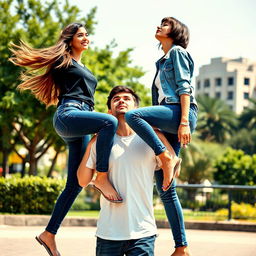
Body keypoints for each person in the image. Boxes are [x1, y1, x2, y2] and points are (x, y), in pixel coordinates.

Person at [9, 22, 122, 256]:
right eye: (80, 35)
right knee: (109, 122)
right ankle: (101, 178)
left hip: (81, 120)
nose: (85, 38)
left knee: (75, 184)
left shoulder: (83, 66)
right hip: (68, 114)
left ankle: (49, 234)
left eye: (87, 34)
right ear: (70, 40)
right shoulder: (64, 61)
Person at [125, 17, 197, 255]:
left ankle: (166, 157)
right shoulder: (161, 61)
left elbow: (184, 88)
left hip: (179, 113)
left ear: (175, 31)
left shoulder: (177, 52)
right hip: (169, 118)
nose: (159, 26)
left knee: (133, 116)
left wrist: (184, 122)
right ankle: (181, 247)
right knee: (166, 188)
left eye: (165, 24)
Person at [77, 85, 167, 256]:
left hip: (143, 232)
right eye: (116, 99)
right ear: (109, 110)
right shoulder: (99, 142)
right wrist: (91, 144)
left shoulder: (153, 139)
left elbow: (172, 170)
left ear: (137, 109)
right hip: (109, 232)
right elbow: (82, 180)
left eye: (127, 98)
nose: (121, 101)